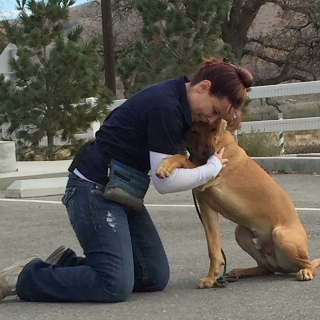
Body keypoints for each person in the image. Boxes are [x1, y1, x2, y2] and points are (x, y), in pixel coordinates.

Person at [0, 56, 253, 302]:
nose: (211, 120)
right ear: (203, 87)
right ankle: (23, 277)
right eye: (214, 111)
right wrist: (212, 167)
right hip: (92, 188)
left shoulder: (180, 104)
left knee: (153, 276)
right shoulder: (166, 106)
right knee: (114, 285)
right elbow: (165, 183)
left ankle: (64, 265)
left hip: (122, 190)